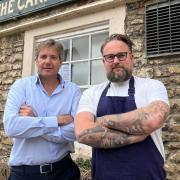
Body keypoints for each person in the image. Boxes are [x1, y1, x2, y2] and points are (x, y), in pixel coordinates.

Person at [75, 34, 170, 180]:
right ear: (103, 61)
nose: (116, 61)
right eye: (110, 57)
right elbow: (82, 133)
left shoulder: (152, 86)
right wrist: (135, 137)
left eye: (121, 55)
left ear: (131, 57)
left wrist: (100, 121)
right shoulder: (92, 93)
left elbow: (152, 120)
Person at [3, 39, 81, 180]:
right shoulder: (21, 87)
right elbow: (11, 127)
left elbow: (76, 131)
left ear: (61, 61)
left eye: (53, 57)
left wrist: (33, 121)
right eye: (43, 56)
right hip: (25, 174)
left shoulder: (73, 90)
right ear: (36, 60)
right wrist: (56, 121)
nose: (47, 61)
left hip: (63, 171)